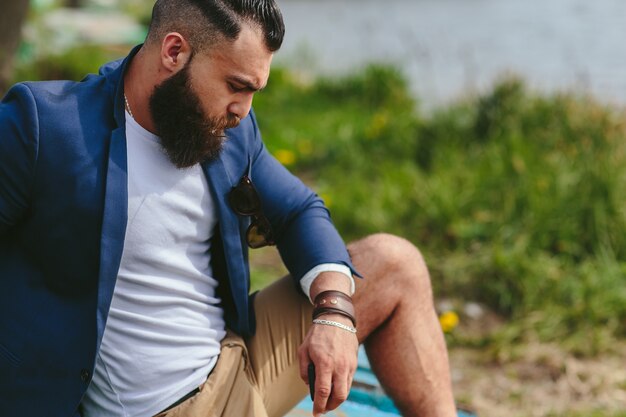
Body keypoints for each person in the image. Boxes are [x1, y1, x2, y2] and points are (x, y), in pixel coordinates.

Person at [0, 1, 457, 416]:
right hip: (160, 408)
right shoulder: (45, 128)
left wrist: (334, 312)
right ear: (174, 52)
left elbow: (299, 210)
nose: (244, 110)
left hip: (238, 358)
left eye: (256, 90)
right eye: (237, 86)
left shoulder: (227, 126)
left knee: (397, 264)